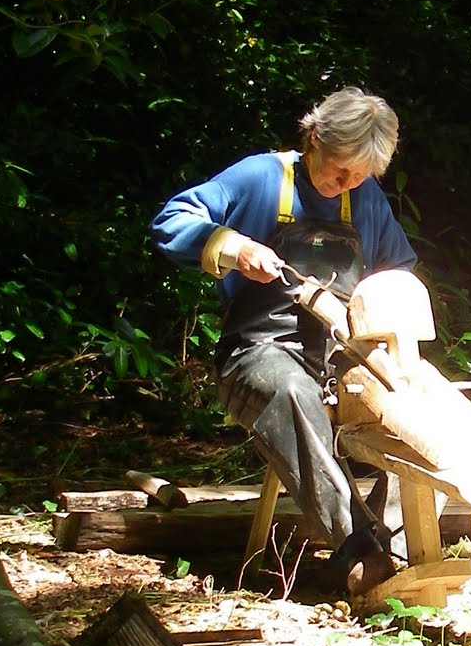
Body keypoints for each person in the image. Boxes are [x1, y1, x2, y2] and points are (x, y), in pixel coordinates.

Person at [150, 87, 416, 592]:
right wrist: (233, 247)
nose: (347, 184)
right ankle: (359, 551)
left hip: (342, 351)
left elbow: (398, 269)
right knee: (293, 391)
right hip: (258, 351)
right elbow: (171, 222)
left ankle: (399, 544)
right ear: (314, 138)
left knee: (419, 399)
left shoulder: (364, 198)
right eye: (340, 171)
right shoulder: (261, 177)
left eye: (360, 176)